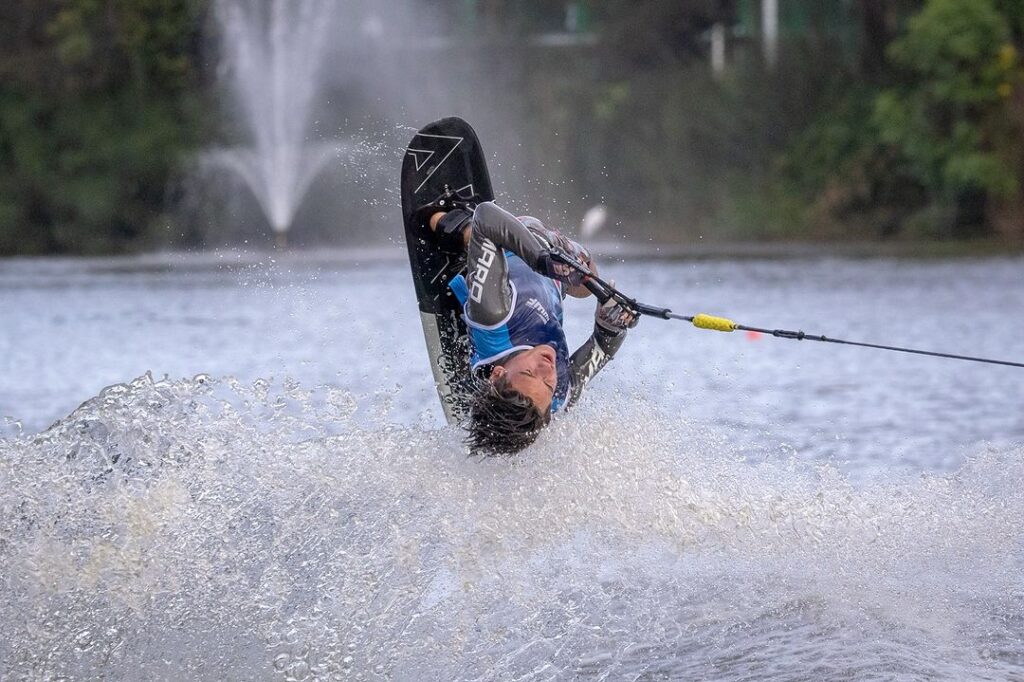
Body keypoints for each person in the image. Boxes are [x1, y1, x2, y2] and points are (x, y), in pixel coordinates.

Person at [425, 201, 637, 455]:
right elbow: (603, 346)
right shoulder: (559, 395)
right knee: (587, 278)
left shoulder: (493, 318)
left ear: (498, 373)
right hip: (560, 275)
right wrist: (614, 322)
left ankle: (452, 227)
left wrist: (541, 260)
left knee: (451, 223)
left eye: (528, 373)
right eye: (547, 385)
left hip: (510, 252)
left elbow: (486, 216)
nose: (546, 369)